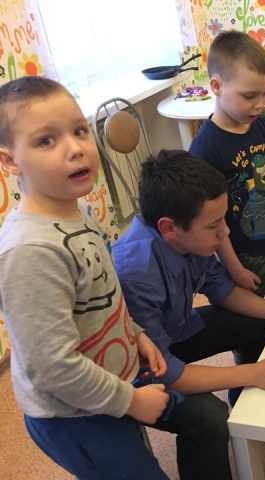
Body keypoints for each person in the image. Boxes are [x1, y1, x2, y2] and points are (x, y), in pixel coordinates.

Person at [112, 149, 265, 480]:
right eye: (213, 225)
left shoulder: (191, 239)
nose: (225, 233)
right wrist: (253, 373)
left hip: (175, 331)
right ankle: (244, 393)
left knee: (260, 322)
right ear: (169, 228)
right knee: (209, 418)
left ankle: (248, 410)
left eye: (223, 219)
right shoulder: (136, 271)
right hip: (138, 369)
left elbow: (223, 291)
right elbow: (165, 371)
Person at [0, 76, 170, 479]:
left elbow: (105, 294)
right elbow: (52, 366)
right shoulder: (29, 252)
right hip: (75, 419)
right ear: (10, 161)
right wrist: (131, 401)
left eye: (79, 130)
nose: (76, 148)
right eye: (46, 140)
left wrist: (136, 334)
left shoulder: (78, 211)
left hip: (108, 392)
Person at [189, 30, 265, 317]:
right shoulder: (205, 149)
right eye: (249, 95)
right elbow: (212, 221)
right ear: (216, 86)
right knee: (249, 323)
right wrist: (235, 268)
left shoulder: (263, 126)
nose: (260, 103)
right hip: (243, 256)